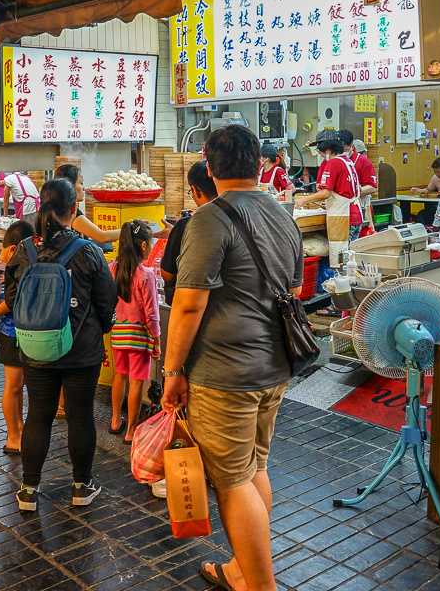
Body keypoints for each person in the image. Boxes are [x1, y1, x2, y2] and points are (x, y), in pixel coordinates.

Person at [161, 124, 304, 591]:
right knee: (253, 468)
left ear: (208, 162)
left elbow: (188, 303)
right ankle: (244, 569)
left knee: (232, 480)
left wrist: (172, 371)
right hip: (275, 368)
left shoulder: (209, 218)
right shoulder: (283, 215)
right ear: (260, 162)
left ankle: (260, 586)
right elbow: (296, 289)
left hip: (225, 375)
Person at [4, 178, 117, 513]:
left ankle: (28, 490)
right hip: (81, 349)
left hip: (35, 347)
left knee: (39, 414)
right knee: (81, 415)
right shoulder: (89, 252)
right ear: (73, 209)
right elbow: (106, 301)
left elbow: (12, 298)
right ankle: (82, 486)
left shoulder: (24, 250)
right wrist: (98, 329)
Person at [0, 219, 34, 455]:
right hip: (11, 334)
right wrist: (16, 301)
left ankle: (19, 428)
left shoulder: (11, 266)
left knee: (19, 385)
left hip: (19, 333)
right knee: (13, 386)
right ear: (15, 249)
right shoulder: (3, 271)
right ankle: (13, 436)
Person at [108, 220, 160, 444]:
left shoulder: (113, 268)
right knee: (136, 382)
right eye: (150, 244)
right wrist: (157, 340)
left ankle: (114, 420)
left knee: (119, 376)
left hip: (118, 332)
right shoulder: (145, 275)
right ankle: (130, 431)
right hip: (138, 335)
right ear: (143, 246)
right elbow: (152, 314)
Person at [295, 136, 360, 267]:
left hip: (343, 217)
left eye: (323, 154)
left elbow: (326, 192)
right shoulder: (347, 161)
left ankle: (341, 286)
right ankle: (348, 285)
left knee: (341, 261)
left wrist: (304, 199)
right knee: (350, 261)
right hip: (355, 214)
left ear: (329, 151)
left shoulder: (334, 162)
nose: (323, 158)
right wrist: (330, 203)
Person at [160, 160, 218, 305]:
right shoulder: (240, 217)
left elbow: (167, 274)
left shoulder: (187, 224)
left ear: (196, 190)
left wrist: (178, 232)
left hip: (192, 305)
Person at [338, 130, 378, 225]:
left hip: (361, 207)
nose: (342, 152)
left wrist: (353, 191)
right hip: (340, 209)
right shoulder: (335, 161)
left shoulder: (363, 161)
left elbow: (372, 188)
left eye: (344, 149)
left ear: (352, 146)